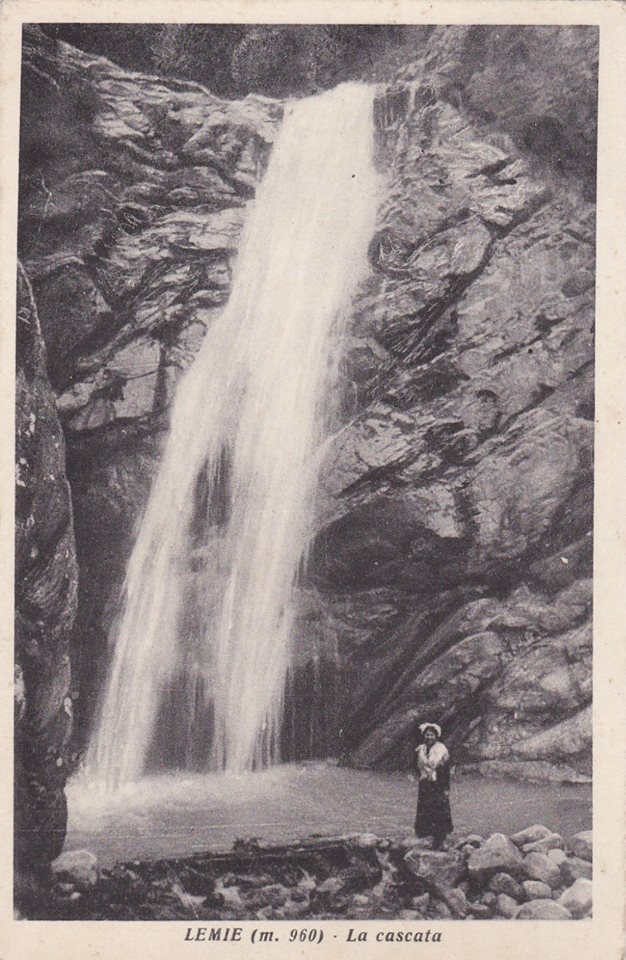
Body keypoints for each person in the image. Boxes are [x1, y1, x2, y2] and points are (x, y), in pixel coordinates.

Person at [414, 722, 453, 850]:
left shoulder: (442, 750)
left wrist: (445, 788)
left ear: (436, 736)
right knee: (425, 809)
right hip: (425, 783)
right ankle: (427, 837)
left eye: (431, 735)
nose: (429, 737)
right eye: (427, 735)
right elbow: (416, 765)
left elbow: (446, 770)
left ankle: (439, 839)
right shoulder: (421, 749)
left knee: (439, 810)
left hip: (438, 784)